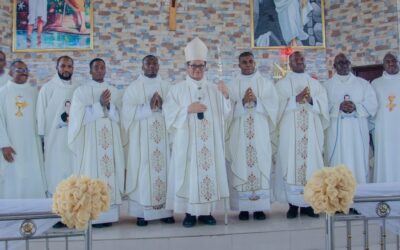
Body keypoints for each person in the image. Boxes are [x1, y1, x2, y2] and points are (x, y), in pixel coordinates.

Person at [164, 37, 231, 227]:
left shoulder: (214, 89)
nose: (197, 69)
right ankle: (189, 214)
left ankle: (206, 213)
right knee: (189, 176)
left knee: (207, 174)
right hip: (187, 144)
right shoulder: (177, 90)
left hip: (209, 144)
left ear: (206, 67)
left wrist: (226, 96)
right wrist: (187, 109)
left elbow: (226, 114)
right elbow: (168, 114)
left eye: (201, 66)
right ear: (187, 66)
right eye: (193, 66)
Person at [68, 58, 124, 228]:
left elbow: (120, 117)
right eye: (96, 68)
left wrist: (109, 108)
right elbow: (77, 118)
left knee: (110, 174)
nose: (100, 70)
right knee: (92, 174)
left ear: (105, 70)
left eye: (102, 67)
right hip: (92, 143)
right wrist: (99, 105)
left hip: (110, 141)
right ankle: (94, 215)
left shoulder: (114, 91)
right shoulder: (81, 92)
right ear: (90, 71)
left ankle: (109, 215)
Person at [226, 51, 279, 221]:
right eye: (244, 62)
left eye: (250, 61)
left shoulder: (266, 84)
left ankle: (259, 207)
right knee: (241, 163)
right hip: (240, 135)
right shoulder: (232, 85)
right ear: (239, 65)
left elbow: (274, 107)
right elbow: (226, 111)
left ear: (254, 63)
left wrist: (257, 102)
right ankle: (243, 207)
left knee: (261, 163)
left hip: (260, 133)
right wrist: (241, 103)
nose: (248, 65)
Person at [122, 55, 175, 226]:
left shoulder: (167, 87)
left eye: (154, 64)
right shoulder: (133, 88)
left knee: (165, 171)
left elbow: (175, 110)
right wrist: (147, 107)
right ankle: (142, 213)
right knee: (143, 172)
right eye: (148, 64)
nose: (151, 67)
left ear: (159, 66)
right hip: (142, 141)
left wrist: (161, 107)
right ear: (142, 67)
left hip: (163, 139)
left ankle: (166, 211)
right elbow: (126, 114)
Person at [275, 51, 329, 219]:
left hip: (310, 134)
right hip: (290, 135)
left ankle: (309, 205)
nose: (299, 61)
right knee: (291, 165)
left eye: (301, 59)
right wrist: (294, 99)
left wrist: (312, 101)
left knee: (311, 166)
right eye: (295, 59)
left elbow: (324, 106)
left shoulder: (315, 84)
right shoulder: (282, 85)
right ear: (290, 64)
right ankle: (292, 205)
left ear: (305, 62)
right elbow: (275, 108)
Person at [324, 53, 377, 184]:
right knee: (337, 163)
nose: (343, 65)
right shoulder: (326, 86)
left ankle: (360, 195)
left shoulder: (363, 84)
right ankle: (337, 196)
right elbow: (322, 107)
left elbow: (372, 104)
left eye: (346, 62)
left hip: (357, 132)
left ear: (350, 64)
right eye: (340, 63)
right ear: (334, 66)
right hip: (337, 132)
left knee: (358, 161)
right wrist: (338, 107)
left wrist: (356, 107)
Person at [0, 60, 47, 198]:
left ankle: (34, 214)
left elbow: (41, 118)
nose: (23, 72)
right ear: (10, 72)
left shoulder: (33, 92)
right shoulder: (2, 92)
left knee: (32, 175)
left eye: (25, 70)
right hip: (10, 145)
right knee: (12, 178)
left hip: (31, 144)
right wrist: (3, 144)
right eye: (19, 70)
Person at [37, 56, 80, 197]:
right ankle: (54, 215)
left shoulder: (79, 88)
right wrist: (43, 138)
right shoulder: (47, 88)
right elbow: (41, 114)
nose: (66, 69)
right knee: (55, 175)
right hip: (54, 141)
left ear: (73, 68)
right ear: (57, 67)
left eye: (69, 66)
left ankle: (73, 214)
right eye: (63, 66)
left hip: (74, 141)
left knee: (74, 176)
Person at [371, 53, 400, 182]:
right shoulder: (376, 84)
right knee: (385, 157)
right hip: (383, 129)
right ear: (383, 65)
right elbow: (371, 108)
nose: (391, 63)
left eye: (394, 60)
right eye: (387, 61)